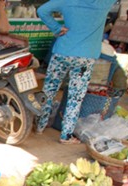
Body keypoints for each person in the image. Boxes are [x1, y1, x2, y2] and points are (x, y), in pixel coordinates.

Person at [35, 0, 117, 144]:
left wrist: (56, 28)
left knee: (49, 91)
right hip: (86, 57)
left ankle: (40, 127)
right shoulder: (104, 3)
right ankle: (65, 136)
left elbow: (42, 10)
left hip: (61, 52)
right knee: (75, 98)